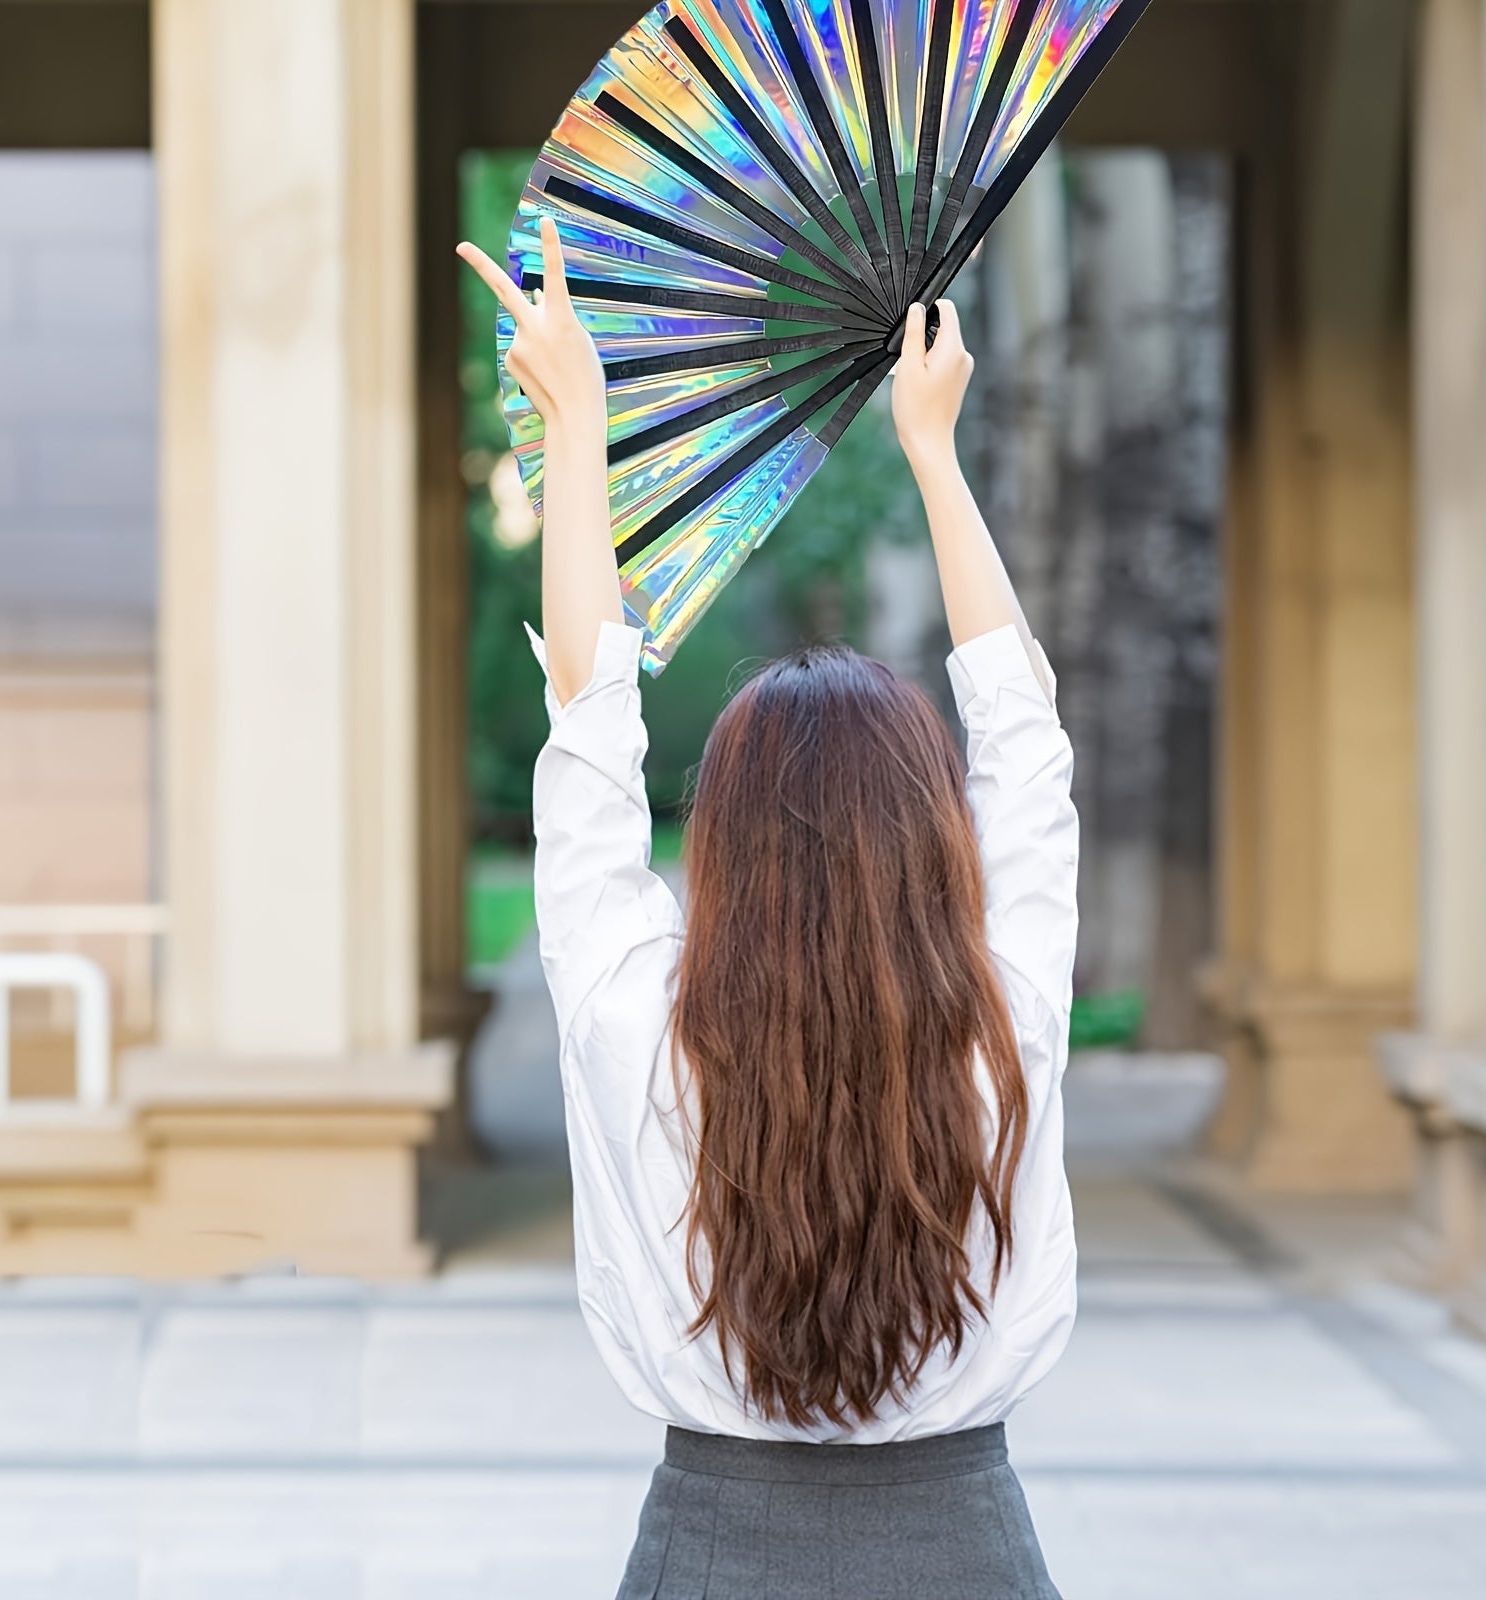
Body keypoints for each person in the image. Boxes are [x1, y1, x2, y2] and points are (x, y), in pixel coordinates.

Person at [458, 219, 1079, 1600]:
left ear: (724, 848)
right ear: (933, 841)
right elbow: (1025, 745)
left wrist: (577, 431)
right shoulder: (1006, 1028)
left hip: (709, 1554)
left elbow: (588, 733)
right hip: (968, 1553)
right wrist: (933, 450)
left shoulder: (639, 1026)